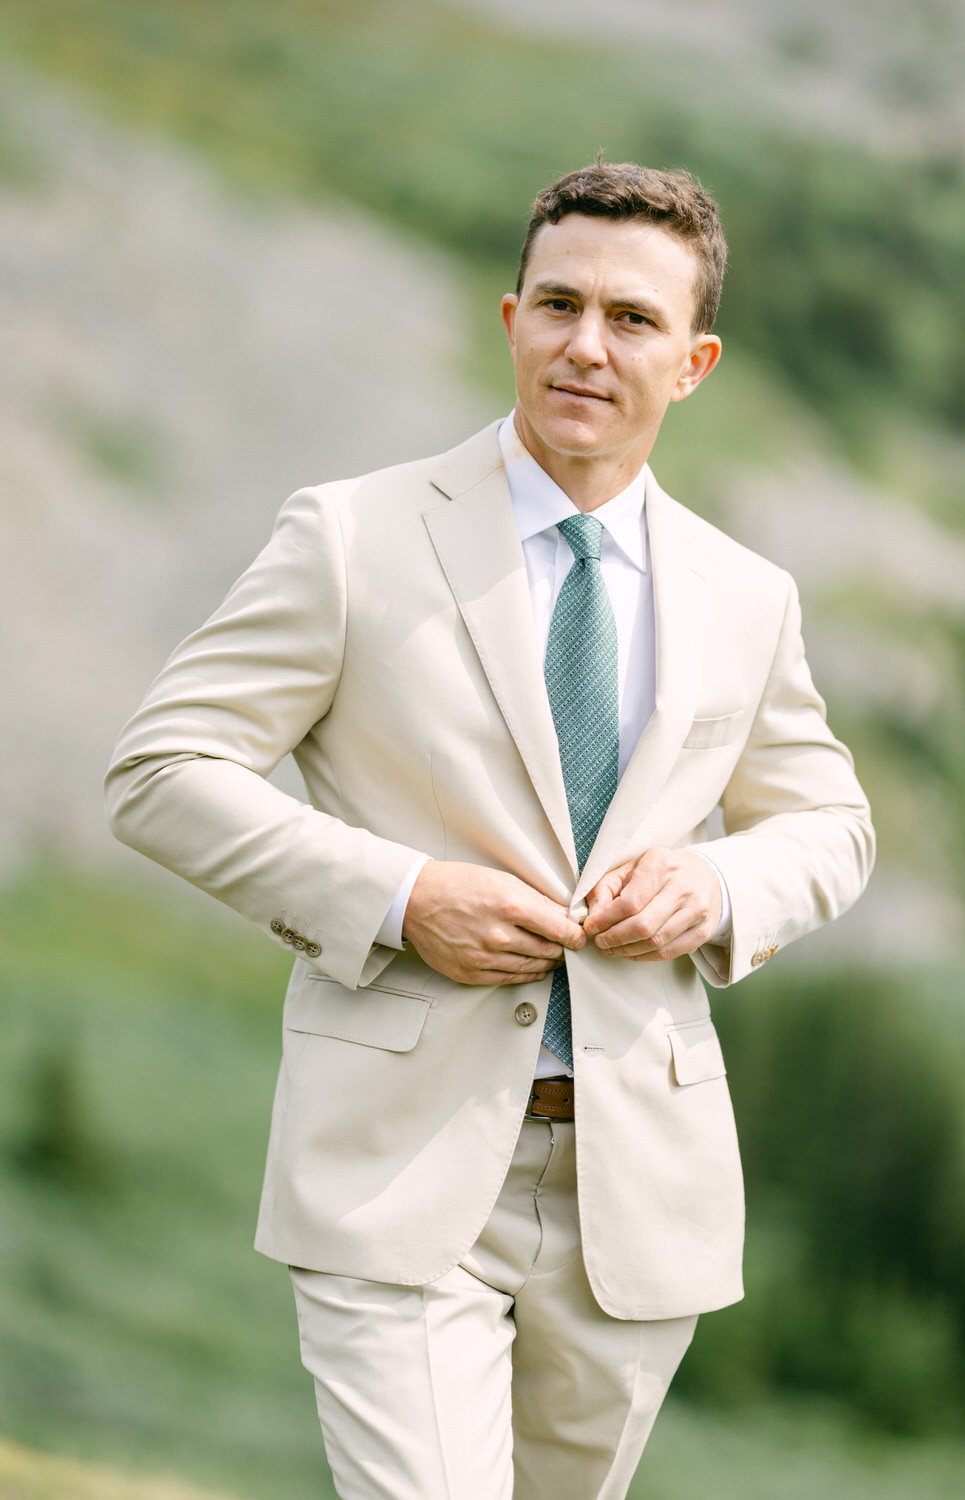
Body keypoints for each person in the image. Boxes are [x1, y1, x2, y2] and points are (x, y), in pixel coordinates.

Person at [106, 160, 875, 1500]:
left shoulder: (747, 596)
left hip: (638, 1184)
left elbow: (827, 823)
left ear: (691, 363)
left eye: (629, 320)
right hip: (395, 1153)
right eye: (558, 304)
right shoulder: (351, 537)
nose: (585, 345)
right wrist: (400, 895)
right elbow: (164, 768)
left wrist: (719, 881)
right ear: (509, 317)